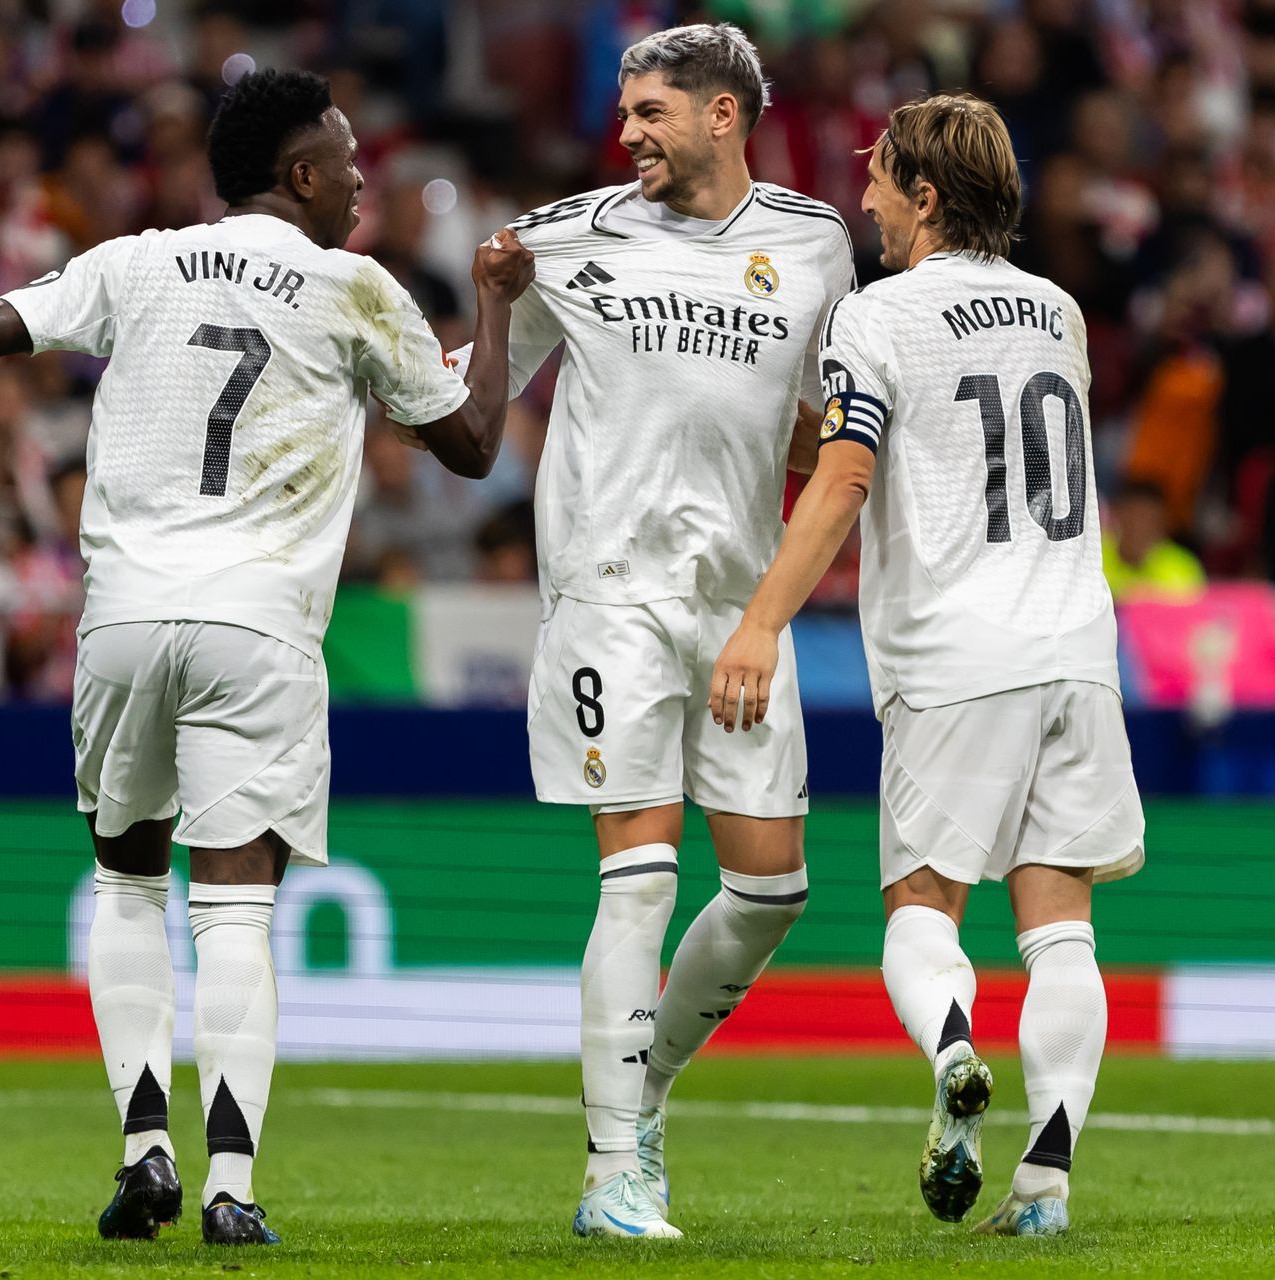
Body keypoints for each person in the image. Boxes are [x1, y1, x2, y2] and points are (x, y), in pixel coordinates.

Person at [0, 67, 534, 1246]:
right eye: (350, 156)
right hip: (253, 626)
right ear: (300, 174)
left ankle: (143, 1147)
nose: (365, 177)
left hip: (120, 618)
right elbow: (469, 445)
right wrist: (498, 308)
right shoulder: (354, 287)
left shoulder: (135, 260)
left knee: (124, 881)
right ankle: (231, 1184)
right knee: (237, 909)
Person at [437, 22, 854, 1240]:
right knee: (640, 876)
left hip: (740, 601)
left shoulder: (815, 242)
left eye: (653, 114)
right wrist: (488, 312)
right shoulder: (568, 236)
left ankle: (645, 1077)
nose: (629, 136)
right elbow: (476, 400)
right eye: (625, 115)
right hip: (608, 589)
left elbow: (811, 416)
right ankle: (614, 1167)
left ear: (725, 115)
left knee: (772, 886)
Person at [711, 93, 1144, 1238]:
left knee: (921, 908)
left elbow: (848, 479)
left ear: (927, 197)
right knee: (1061, 927)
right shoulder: (1059, 312)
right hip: (1077, 650)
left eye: (880, 181)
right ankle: (1045, 1185)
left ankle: (955, 1051)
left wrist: (760, 620)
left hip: (959, 655)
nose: (863, 199)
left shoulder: (882, 314)